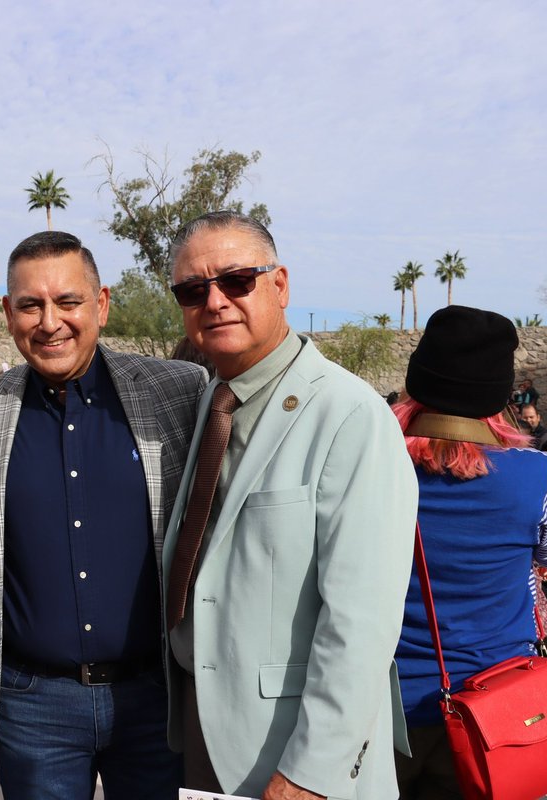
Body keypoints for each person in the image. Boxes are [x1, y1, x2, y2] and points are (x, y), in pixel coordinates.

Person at [162, 211, 417, 799]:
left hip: (293, 754)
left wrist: (309, 773)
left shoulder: (348, 415)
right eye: (193, 290)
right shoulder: (213, 404)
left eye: (236, 280)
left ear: (279, 285)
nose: (215, 301)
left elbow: (362, 622)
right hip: (208, 733)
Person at [0, 231, 205, 798]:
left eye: (68, 302)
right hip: (31, 706)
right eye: (30, 305)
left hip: (154, 701)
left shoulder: (178, 393)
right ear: (9, 312)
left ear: (102, 304)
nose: (50, 322)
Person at [392, 306, 547, 798]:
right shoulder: (537, 475)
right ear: (499, 395)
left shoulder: (372, 466)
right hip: (498, 708)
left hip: (385, 706)